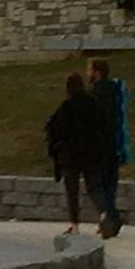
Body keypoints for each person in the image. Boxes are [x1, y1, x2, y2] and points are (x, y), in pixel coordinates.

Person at [44, 73, 109, 236]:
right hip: (92, 154)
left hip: (70, 156)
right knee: (95, 187)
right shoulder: (93, 104)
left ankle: (74, 225)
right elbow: (103, 128)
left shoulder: (67, 106)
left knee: (72, 191)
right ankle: (104, 214)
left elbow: (55, 130)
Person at [85, 58, 132, 239]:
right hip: (115, 145)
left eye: (89, 69)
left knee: (96, 185)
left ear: (97, 72)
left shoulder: (93, 94)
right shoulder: (116, 90)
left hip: (98, 147)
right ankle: (109, 219)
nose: (87, 73)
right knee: (110, 185)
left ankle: (109, 217)